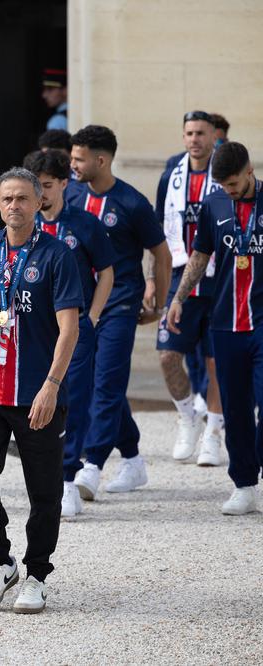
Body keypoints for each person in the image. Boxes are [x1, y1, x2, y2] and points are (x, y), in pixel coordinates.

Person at [0, 167, 82, 614]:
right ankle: (1, 559)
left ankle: (37, 574)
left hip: (37, 392)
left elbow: (69, 328)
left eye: (24, 198)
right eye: (7, 198)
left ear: (38, 202)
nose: (15, 206)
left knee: (44, 491)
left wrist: (52, 385)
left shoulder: (57, 254)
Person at [67, 125, 172, 500]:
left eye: (79, 159)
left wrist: (158, 304)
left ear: (101, 160)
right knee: (94, 381)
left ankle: (91, 464)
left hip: (121, 303)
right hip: (81, 305)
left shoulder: (132, 202)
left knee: (107, 382)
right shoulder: (71, 195)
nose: (72, 164)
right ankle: (132, 457)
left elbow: (162, 254)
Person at [166, 141, 263, 515]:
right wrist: (179, 297)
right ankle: (244, 485)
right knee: (235, 410)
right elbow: (200, 254)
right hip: (225, 323)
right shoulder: (214, 204)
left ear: (249, 170)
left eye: (234, 183)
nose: (229, 190)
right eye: (223, 185)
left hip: (261, 321)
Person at [23, 150, 115, 517]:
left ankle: (67, 480)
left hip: (73, 327)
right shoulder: (23, 224)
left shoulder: (85, 223)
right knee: (31, 401)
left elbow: (106, 272)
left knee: (71, 401)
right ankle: (42, 478)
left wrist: (91, 316)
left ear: (64, 183)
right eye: (36, 186)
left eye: (47, 185)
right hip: (31, 329)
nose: (40, 193)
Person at [155, 111, 225, 465]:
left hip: (219, 280)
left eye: (201, 133)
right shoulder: (172, 174)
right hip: (180, 275)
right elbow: (158, 234)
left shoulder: (225, 173)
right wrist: (152, 278)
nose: (194, 139)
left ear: (214, 136)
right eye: (189, 133)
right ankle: (188, 417)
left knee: (215, 362)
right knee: (168, 356)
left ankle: (213, 431)